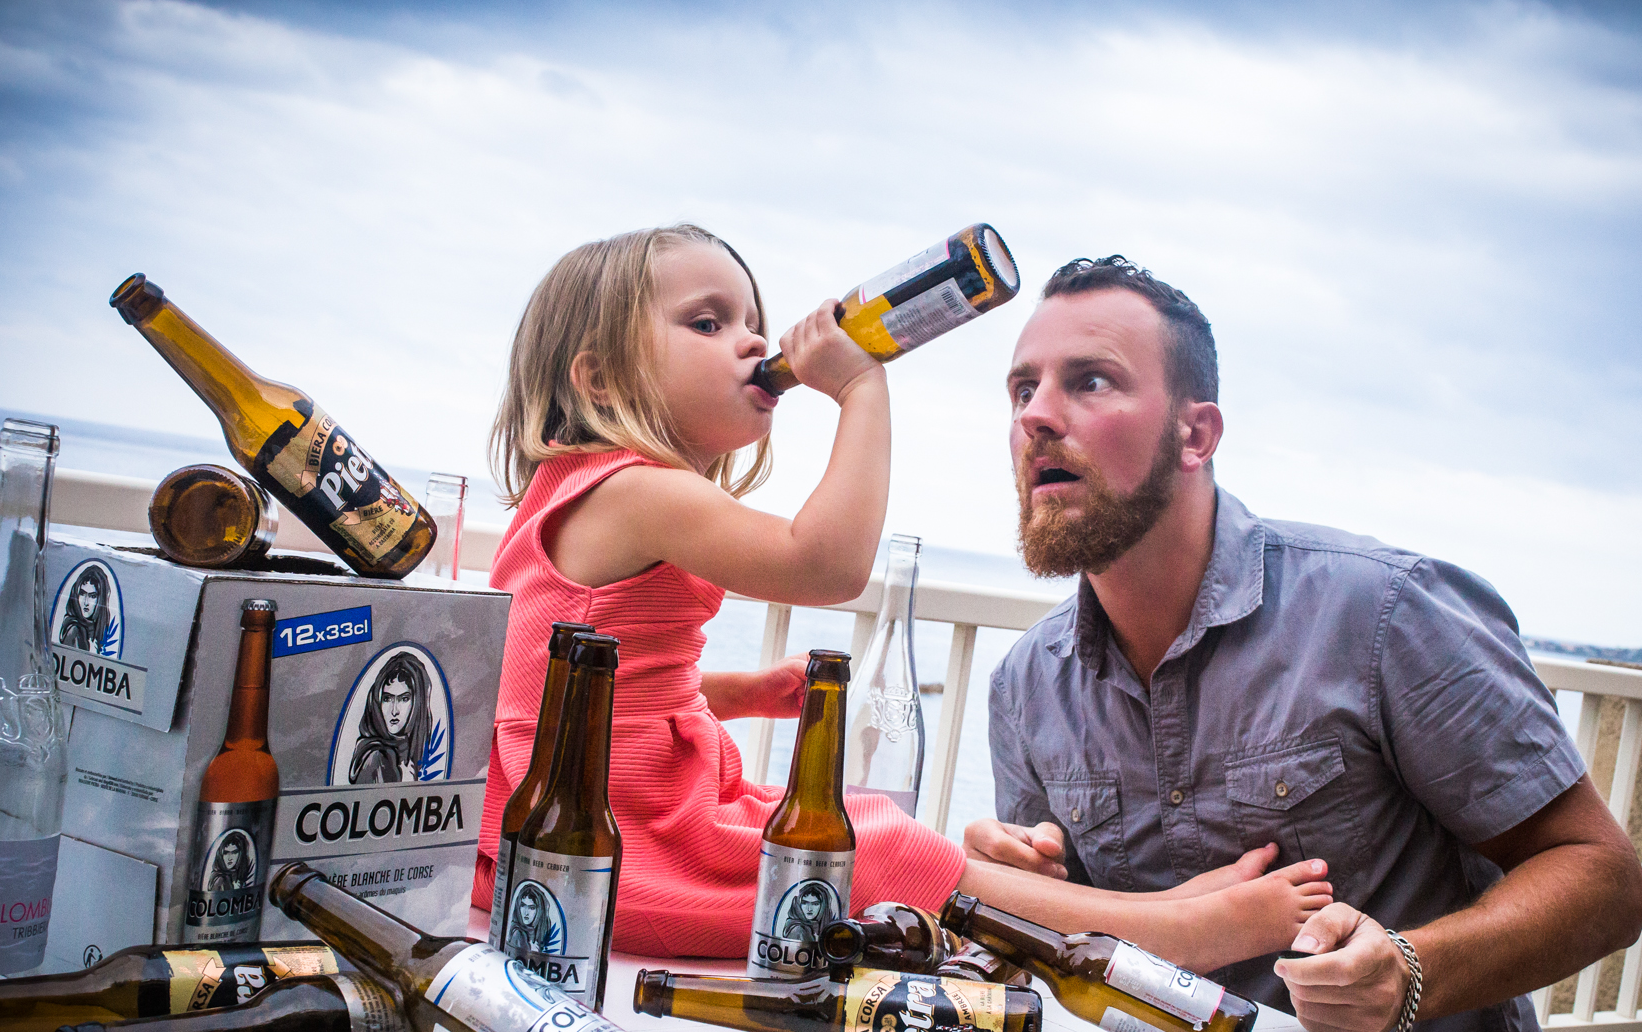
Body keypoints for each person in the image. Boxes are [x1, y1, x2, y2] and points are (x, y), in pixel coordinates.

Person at [967, 256, 1642, 1032]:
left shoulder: (1385, 613)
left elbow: (1603, 879)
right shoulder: (1026, 685)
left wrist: (1410, 972)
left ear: (1196, 433)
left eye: (1089, 381)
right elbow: (1079, 963)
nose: (1036, 416)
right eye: (1022, 388)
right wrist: (1023, 891)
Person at [477, 224, 1334, 961]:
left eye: (751, 321)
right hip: (610, 839)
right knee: (871, 849)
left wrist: (740, 691)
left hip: (601, 807)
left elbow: (567, 684)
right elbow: (827, 566)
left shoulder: (579, 494)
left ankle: (1139, 911)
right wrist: (860, 386)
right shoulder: (638, 492)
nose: (749, 342)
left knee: (854, 819)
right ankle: (1162, 932)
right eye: (708, 323)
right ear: (598, 380)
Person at [349, 652, 435, 785]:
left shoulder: (406, 752)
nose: (394, 711)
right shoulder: (376, 757)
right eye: (387, 699)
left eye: (404, 699)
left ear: (418, 703)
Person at [58, 564, 112, 654]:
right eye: (82, 594)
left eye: (92, 596)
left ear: (101, 600)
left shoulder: (96, 631)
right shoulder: (75, 630)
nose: (86, 602)